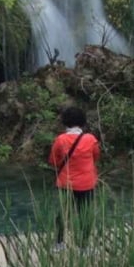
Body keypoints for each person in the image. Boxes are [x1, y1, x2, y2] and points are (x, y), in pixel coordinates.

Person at [48, 106, 100, 248]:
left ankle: (58, 243)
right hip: (87, 183)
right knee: (85, 214)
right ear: (82, 121)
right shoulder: (91, 139)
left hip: (66, 183)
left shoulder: (60, 140)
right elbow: (96, 157)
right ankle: (83, 246)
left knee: (63, 213)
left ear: (65, 122)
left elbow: (53, 161)